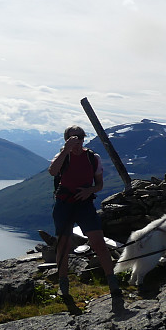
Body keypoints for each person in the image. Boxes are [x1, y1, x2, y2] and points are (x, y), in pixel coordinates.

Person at [48, 125, 120, 297]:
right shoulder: (62, 156)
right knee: (63, 246)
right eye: (72, 138)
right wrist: (66, 150)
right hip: (64, 204)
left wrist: (89, 191)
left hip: (84, 204)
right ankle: (63, 285)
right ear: (66, 140)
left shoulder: (92, 158)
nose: (77, 141)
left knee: (98, 243)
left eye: (79, 137)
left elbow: (99, 184)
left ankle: (113, 283)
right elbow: (52, 171)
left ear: (83, 138)